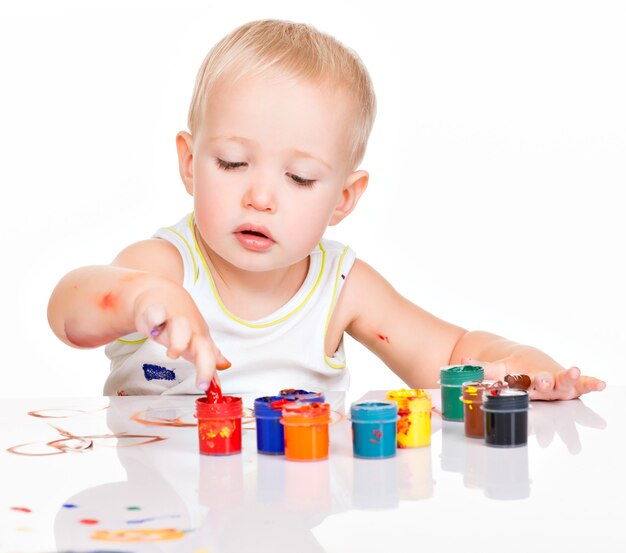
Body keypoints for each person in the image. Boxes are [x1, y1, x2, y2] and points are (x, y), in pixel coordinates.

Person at [47, 19, 605, 400]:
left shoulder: (342, 287)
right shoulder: (164, 267)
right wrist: (143, 297)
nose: (261, 197)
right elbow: (67, 313)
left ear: (342, 199)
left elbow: (455, 352)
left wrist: (529, 372)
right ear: (190, 163)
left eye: (299, 177)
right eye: (233, 163)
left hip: (290, 519)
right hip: (158, 525)